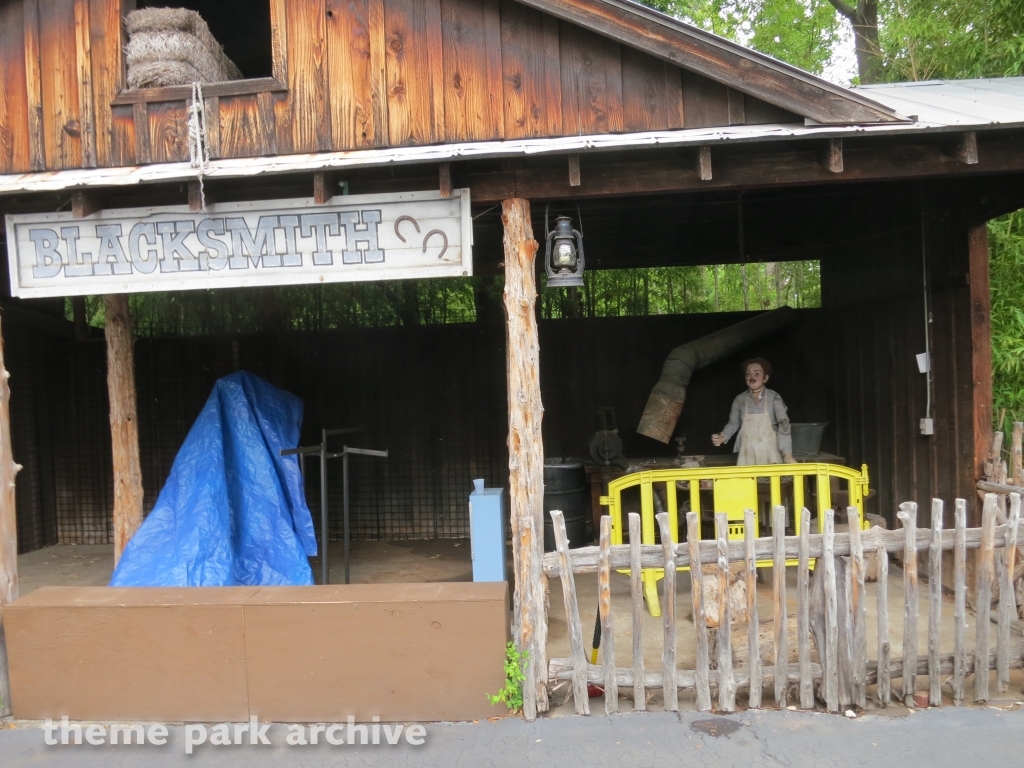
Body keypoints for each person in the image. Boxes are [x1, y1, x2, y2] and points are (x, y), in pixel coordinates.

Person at [711, 358, 795, 465]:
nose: (752, 377)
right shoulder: (739, 399)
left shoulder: (774, 398)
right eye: (748, 374)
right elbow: (733, 423)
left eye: (757, 374)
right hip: (747, 452)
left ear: (765, 378)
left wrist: (787, 455)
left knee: (771, 480)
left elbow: (784, 426)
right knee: (748, 480)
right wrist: (723, 436)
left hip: (770, 451)